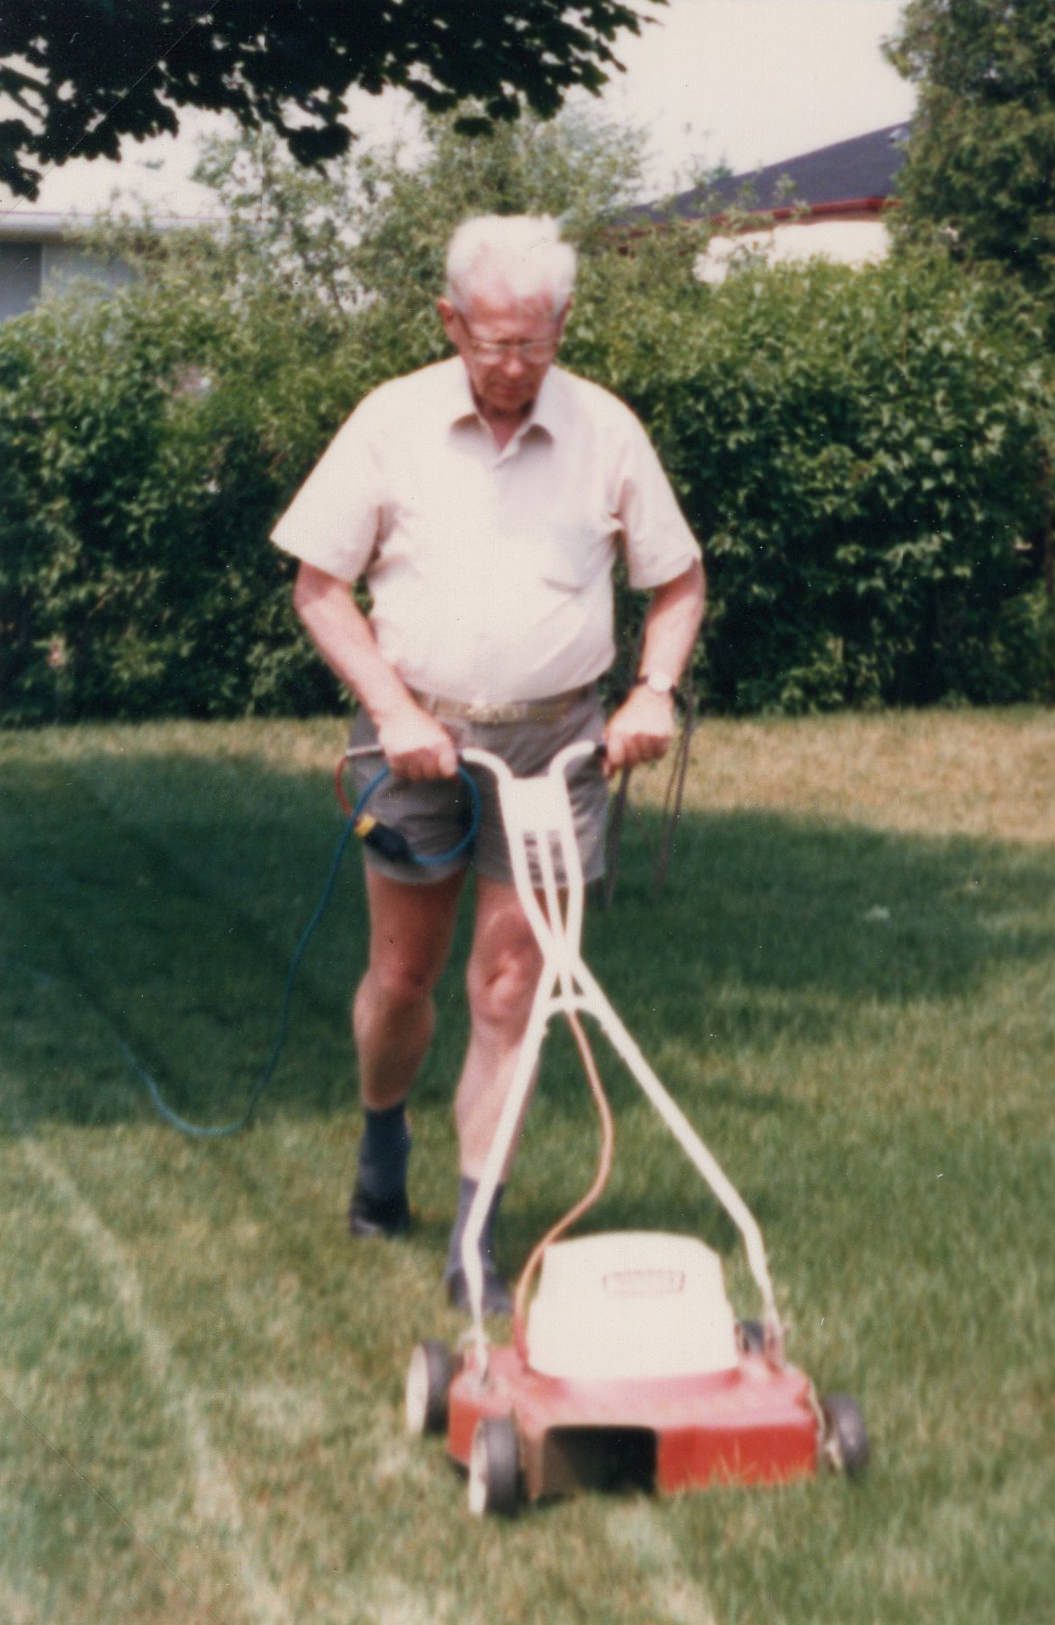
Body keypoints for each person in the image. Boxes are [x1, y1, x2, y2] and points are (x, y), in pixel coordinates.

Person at [272, 214, 705, 1314]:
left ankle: (475, 1235)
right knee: (403, 979)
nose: (513, 368)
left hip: (557, 741)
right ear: (450, 321)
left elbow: (677, 580)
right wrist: (391, 707)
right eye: (492, 343)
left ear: (561, 323)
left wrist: (651, 688)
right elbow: (320, 587)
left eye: (535, 343)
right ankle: (382, 1134)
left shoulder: (605, 429)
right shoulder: (392, 421)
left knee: (510, 984)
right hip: (417, 738)